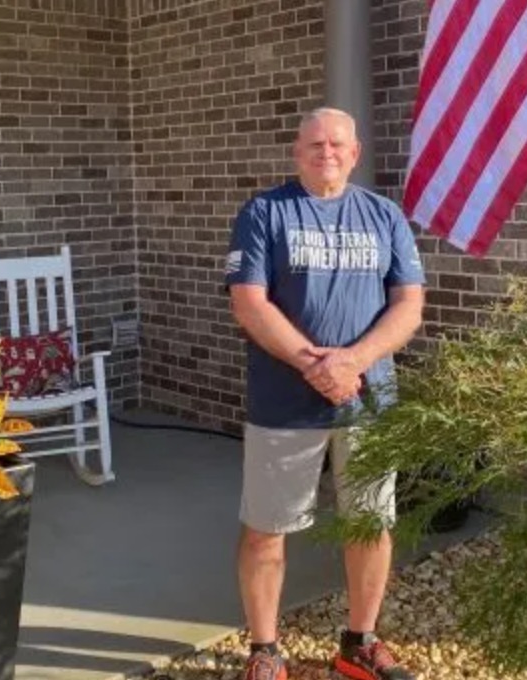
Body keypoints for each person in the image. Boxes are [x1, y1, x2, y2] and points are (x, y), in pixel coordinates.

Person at [224, 107, 426, 680]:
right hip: (284, 405)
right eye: (314, 144)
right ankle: (264, 652)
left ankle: (359, 643)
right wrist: (317, 365)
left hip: (369, 401)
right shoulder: (264, 213)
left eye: (337, 144)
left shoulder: (385, 216)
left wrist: (354, 362)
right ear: (297, 152)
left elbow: (408, 304)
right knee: (267, 529)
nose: (326, 152)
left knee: (370, 525)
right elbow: (249, 303)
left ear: (355, 153)